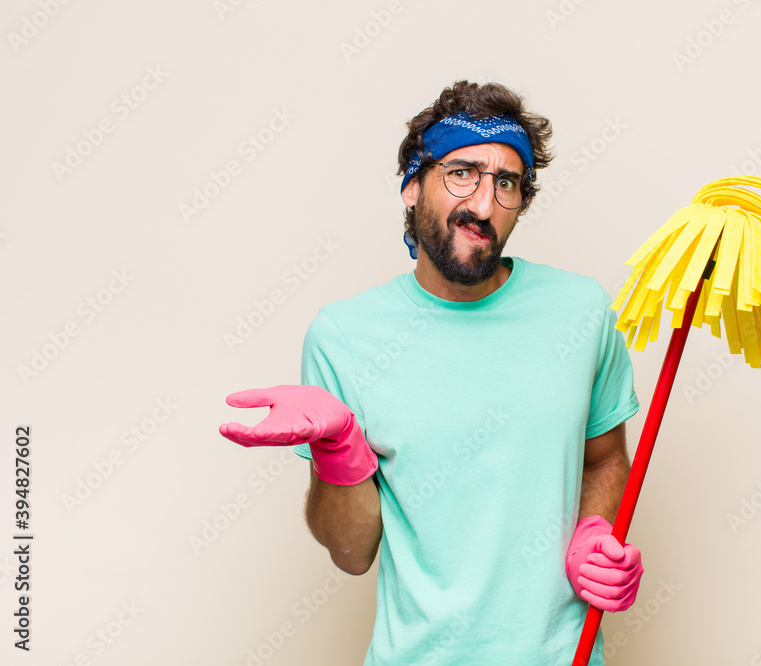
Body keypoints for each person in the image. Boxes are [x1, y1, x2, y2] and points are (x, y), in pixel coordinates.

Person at [220, 81, 645, 665]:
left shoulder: (581, 312)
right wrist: (337, 451)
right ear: (411, 185)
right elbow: (350, 553)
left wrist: (594, 532)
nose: (484, 203)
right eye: (462, 173)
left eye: (507, 182)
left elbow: (604, 458)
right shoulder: (344, 337)